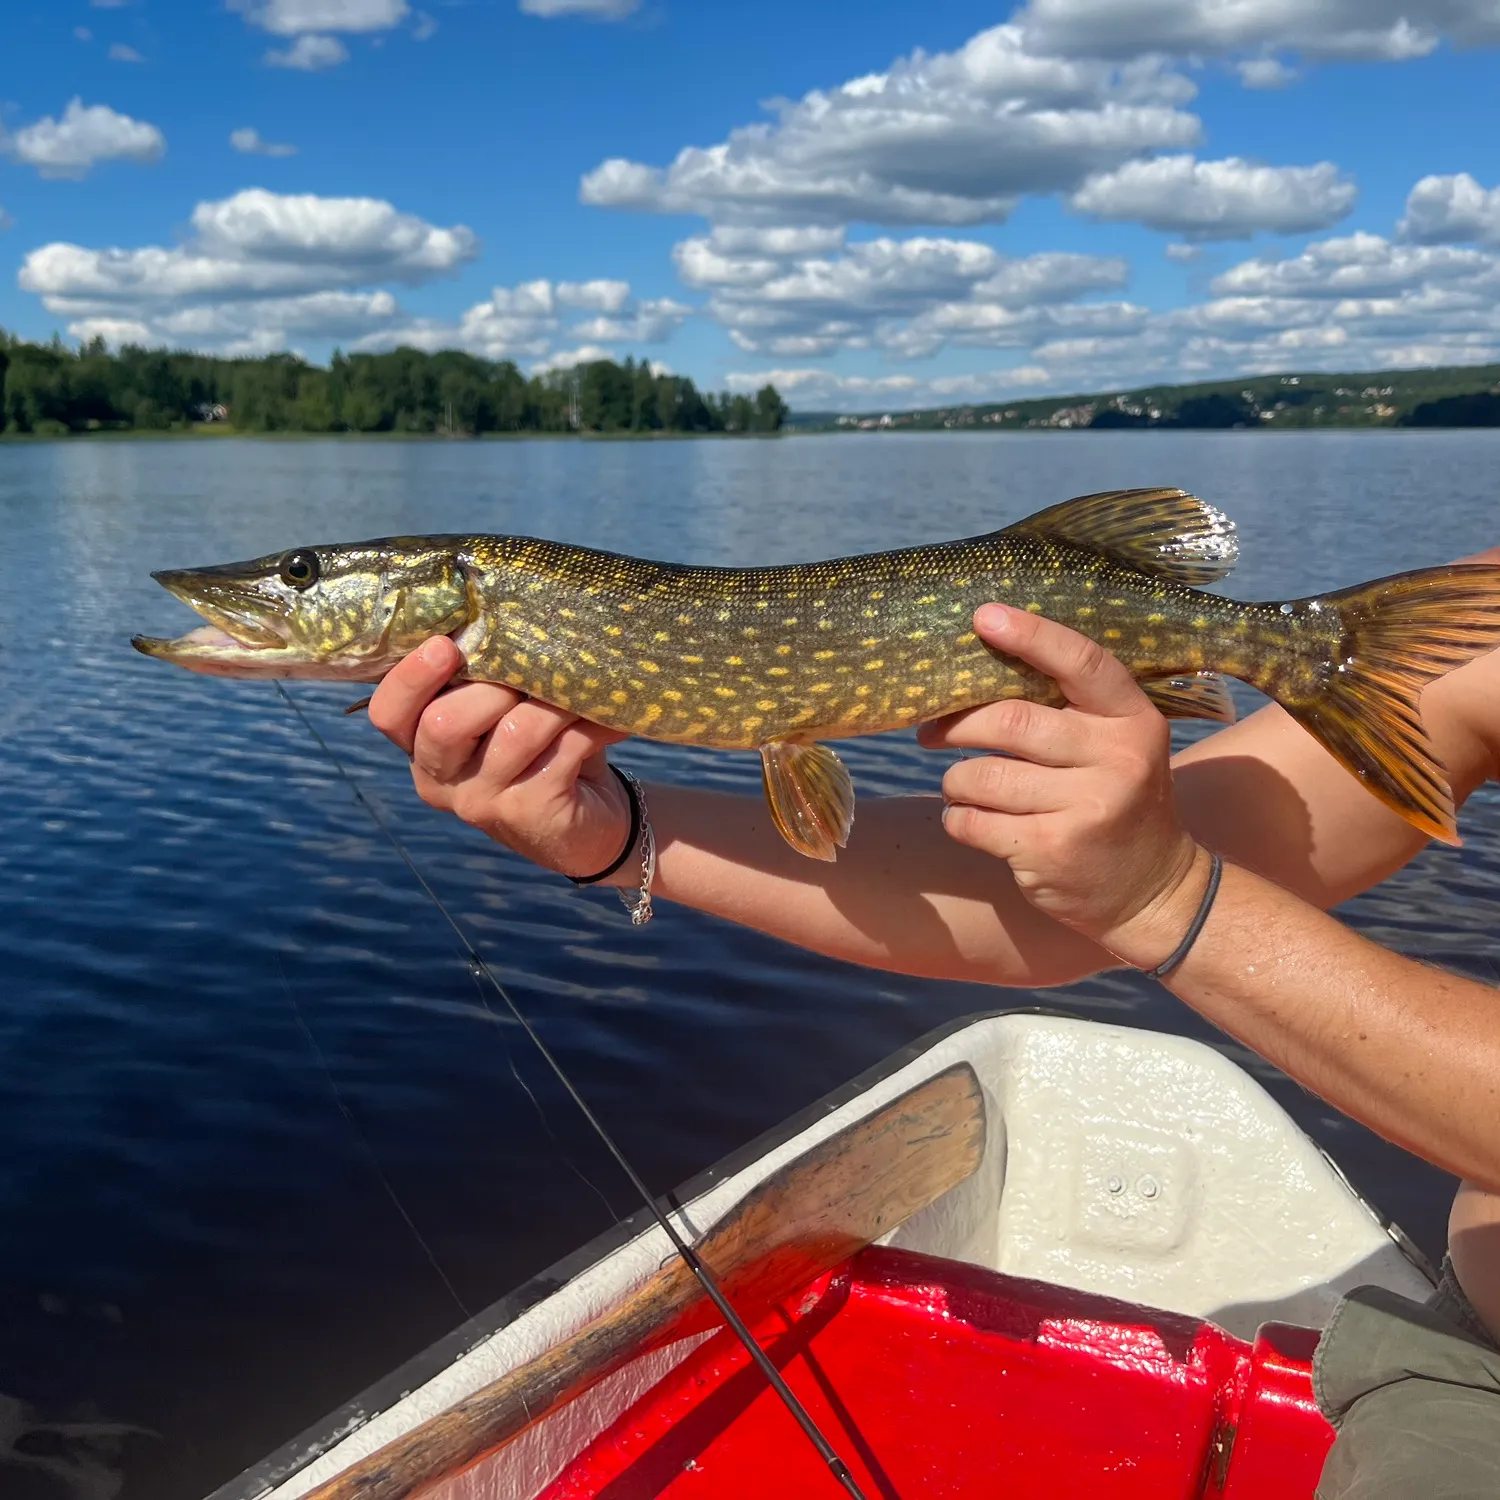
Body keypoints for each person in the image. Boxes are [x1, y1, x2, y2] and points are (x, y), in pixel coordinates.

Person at [367, 552, 1500, 1496]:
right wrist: (621, 835)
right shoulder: (1473, 618)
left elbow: (1148, 888)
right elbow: (1056, 898)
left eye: (311, 577)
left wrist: (1166, 899)